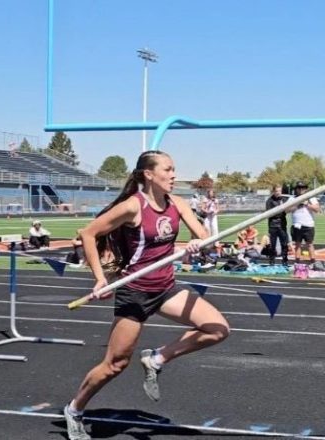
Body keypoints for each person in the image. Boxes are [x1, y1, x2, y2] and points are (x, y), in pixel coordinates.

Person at [63, 151, 229, 440]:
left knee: (217, 329)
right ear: (149, 175)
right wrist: (100, 278)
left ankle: (156, 358)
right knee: (115, 365)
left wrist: (196, 244)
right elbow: (88, 234)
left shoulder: (177, 203)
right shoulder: (132, 206)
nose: (174, 175)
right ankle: (75, 409)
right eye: (168, 169)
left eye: (175, 169)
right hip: (135, 291)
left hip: (165, 287)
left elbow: (205, 238)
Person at [287, 182, 320, 263]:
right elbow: (286, 210)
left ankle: (312, 262)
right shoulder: (292, 198)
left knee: (310, 244)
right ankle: (297, 261)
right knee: (297, 244)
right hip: (297, 225)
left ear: (306, 189)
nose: (301, 189)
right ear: (296, 189)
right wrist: (297, 205)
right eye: (299, 188)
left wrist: (307, 204)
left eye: (303, 188)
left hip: (308, 225)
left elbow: (317, 209)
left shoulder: (311, 198)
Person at [265, 184, 289, 266]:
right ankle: (271, 262)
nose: (278, 193)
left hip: (282, 225)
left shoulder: (284, 199)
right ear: (273, 191)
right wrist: (280, 211)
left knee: (284, 244)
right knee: (273, 245)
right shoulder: (269, 201)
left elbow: (287, 210)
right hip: (273, 225)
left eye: (280, 191)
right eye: (276, 191)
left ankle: (285, 261)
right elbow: (269, 214)